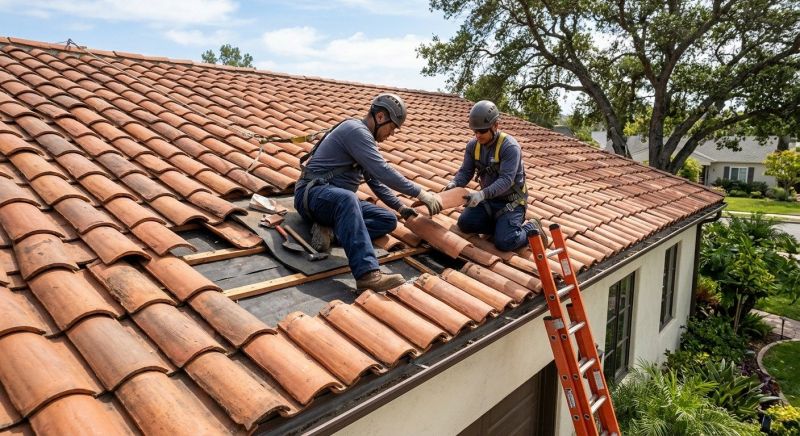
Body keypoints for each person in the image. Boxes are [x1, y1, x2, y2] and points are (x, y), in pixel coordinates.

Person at [294, 93, 443, 293]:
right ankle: (367, 275)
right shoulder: (356, 132)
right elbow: (383, 170)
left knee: (387, 219)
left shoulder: (363, 140)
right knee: (348, 198)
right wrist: (420, 193)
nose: (391, 134)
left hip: (335, 204)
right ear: (380, 117)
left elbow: (375, 181)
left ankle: (330, 232)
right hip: (312, 195)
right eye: (392, 127)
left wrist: (401, 207)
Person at [444, 100, 548, 251]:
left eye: (483, 131)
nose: (478, 135)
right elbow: (466, 172)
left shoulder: (509, 147)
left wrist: (481, 195)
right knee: (465, 224)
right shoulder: (473, 146)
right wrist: (454, 184)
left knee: (505, 243)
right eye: (475, 131)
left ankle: (532, 227)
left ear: (495, 126)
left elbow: (506, 180)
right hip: (488, 201)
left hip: (511, 203)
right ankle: (501, 227)